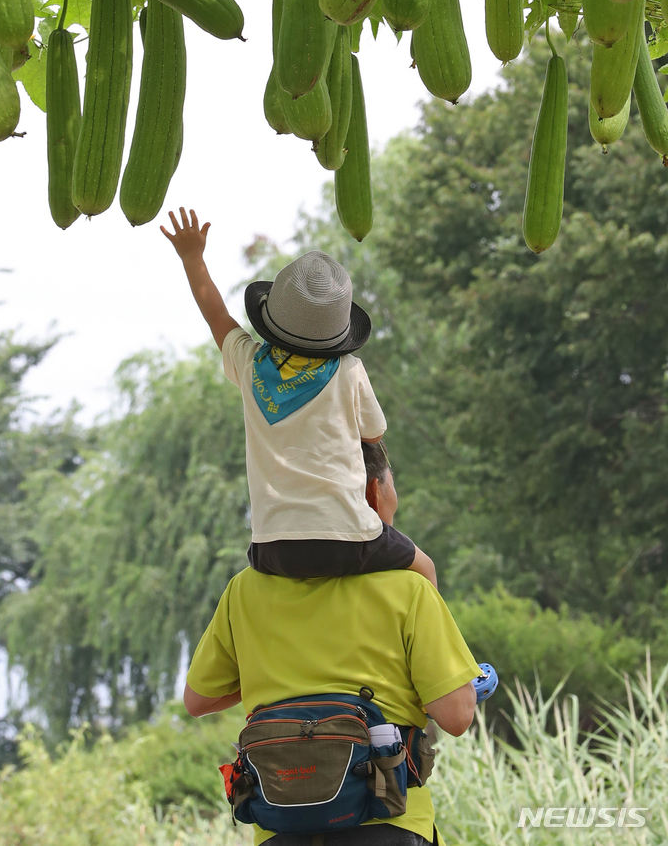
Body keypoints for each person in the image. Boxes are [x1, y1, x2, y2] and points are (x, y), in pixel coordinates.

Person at [183, 439, 481, 846]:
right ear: (374, 493)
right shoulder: (409, 588)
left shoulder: (243, 591)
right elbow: (456, 715)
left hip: (279, 831)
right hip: (387, 825)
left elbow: (198, 700)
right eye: (391, 485)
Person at [161, 206, 436, 584]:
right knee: (425, 568)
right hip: (345, 537)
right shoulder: (348, 370)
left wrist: (192, 257)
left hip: (270, 546)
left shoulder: (250, 361)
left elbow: (216, 315)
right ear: (338, 332)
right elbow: (372, 435)